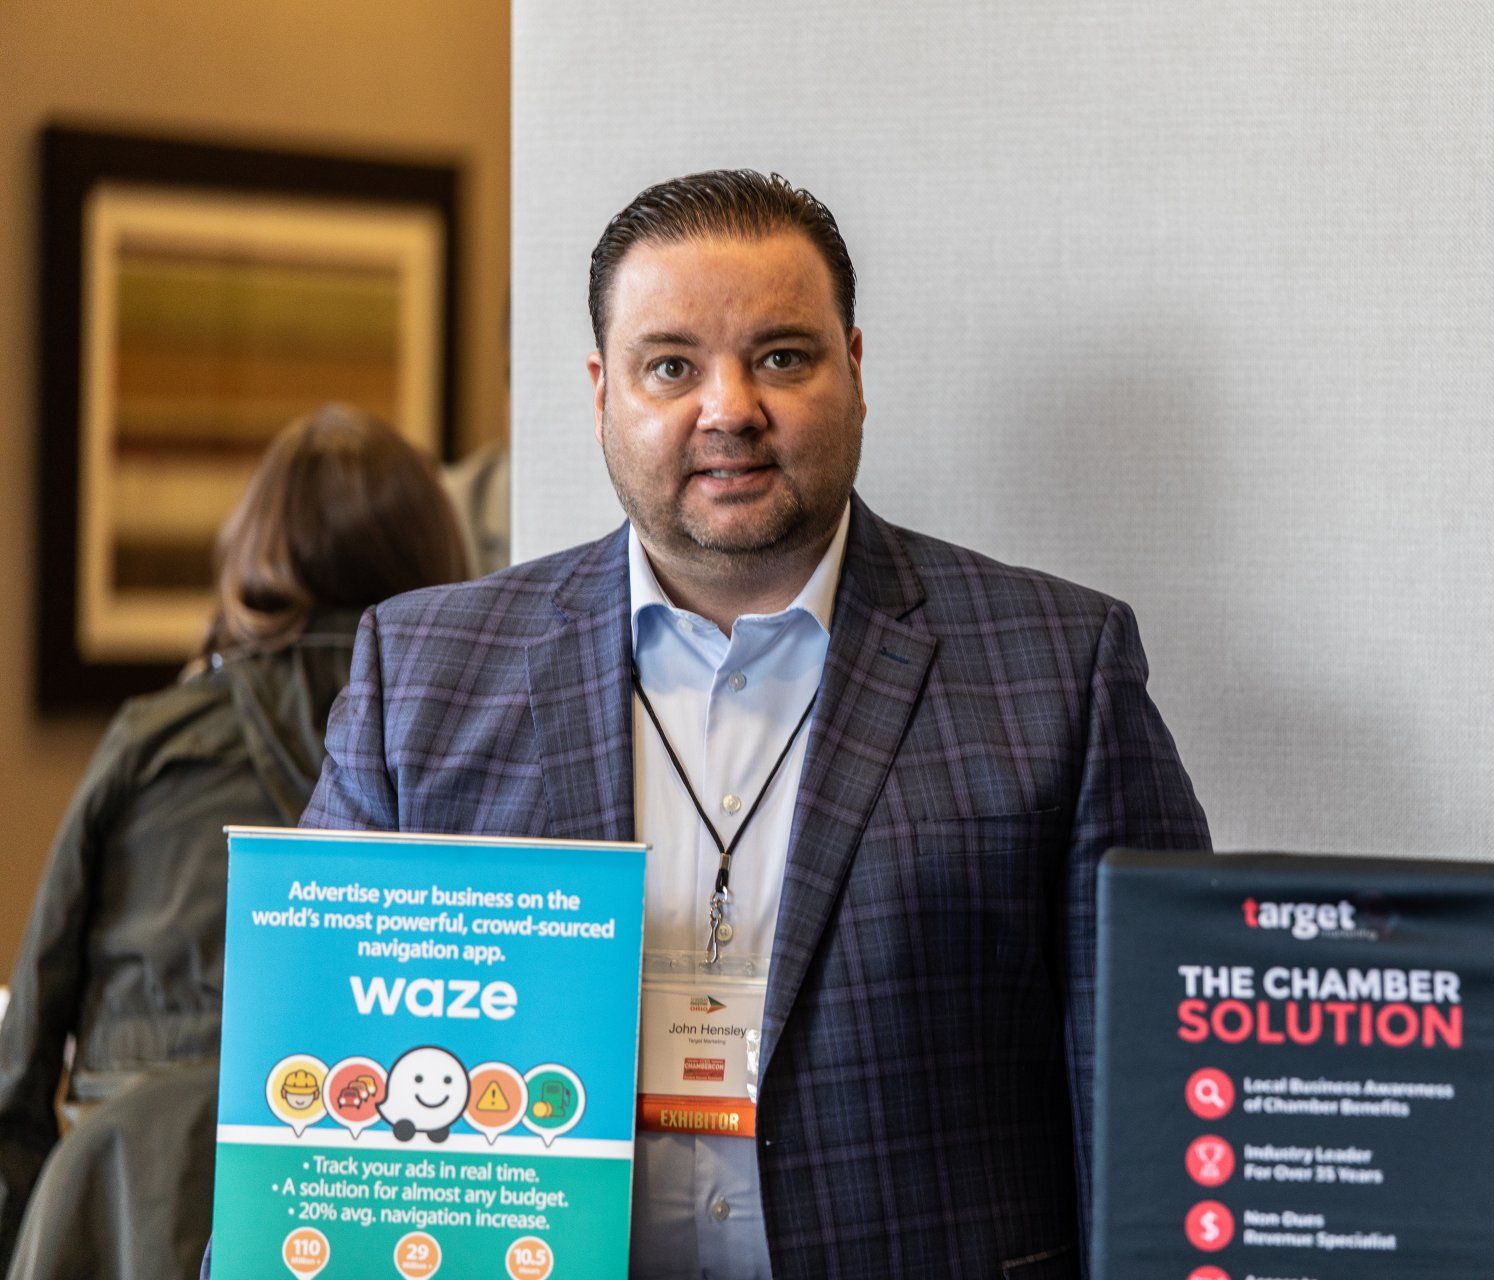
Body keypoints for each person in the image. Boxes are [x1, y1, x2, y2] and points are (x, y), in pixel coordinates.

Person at [290, 171, 1209, 1278]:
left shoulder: (1058, 665)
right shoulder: (425, 669)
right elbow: (315, 1081)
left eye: (781, 356)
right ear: (600, 392)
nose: (729, 407)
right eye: (670, 364)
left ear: (854, 372)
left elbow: (1161, 1113)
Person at [0, 405, 470, 1274]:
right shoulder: (461, 744)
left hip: (121, 1204)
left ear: (250, 556)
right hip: (363, 1204)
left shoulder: (155, 739)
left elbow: (26, 1045)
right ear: (438, 557)